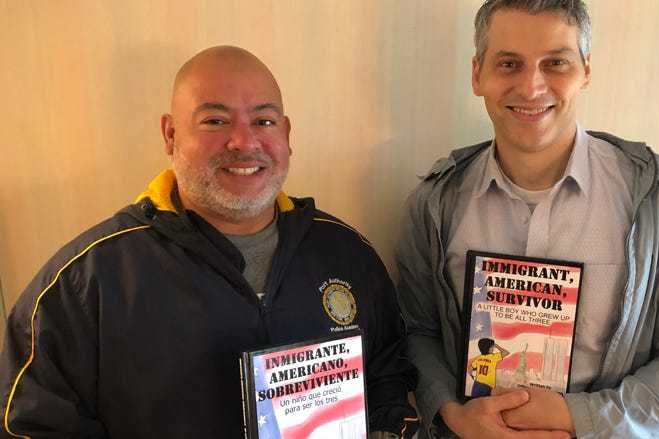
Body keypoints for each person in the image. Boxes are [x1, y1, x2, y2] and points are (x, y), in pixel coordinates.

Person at [1, 46, 418, 438]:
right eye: (216, 121)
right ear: (170, 134)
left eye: (264, 121)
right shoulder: (85, 282)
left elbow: (388, 373)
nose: (244, 142)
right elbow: (29, 426)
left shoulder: (346, 253)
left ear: (287, 134)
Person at [395, 1, 659, 438]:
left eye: (555, 63)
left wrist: (577, 417)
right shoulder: (434, 203)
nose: (531, 86)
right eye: (509, 64)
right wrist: (452, 412)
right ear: (478, 74)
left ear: (586, 70)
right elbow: (417, 332)